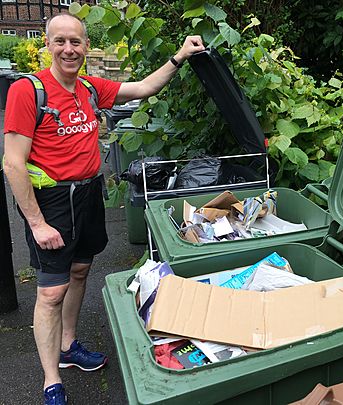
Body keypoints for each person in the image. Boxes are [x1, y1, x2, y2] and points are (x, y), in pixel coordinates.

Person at [2, 13, 205, 405]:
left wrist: (180, 56)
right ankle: (51, 380)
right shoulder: (28, 91)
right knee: (50, 293)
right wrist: (37, 222)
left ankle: (68, 345)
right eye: (60, 41)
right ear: (47, 44)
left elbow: (144, 87)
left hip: (89, 194)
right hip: (53, 202)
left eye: (75, 42)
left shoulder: (90, 88)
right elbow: (12, 163)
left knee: (80, 271)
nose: (68, 49)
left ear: (86, 46)